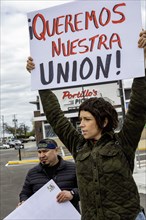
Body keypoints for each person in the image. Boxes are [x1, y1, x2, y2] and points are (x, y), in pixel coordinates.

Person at [26, 30, 146, 220]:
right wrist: (40, 80)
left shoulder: (122, 143)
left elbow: (138, 108)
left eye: (87, 119)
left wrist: (143, 63)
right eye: (80, 119)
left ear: (104, 121)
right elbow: (56, 117)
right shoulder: (78, 145)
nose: (81, 125)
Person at [18, 138, 80, 212]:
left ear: (56, 150)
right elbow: (24, 193)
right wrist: (24, 202)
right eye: (39, 152)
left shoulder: (73, 168)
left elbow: (87, 190)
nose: (41, 155)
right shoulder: (32, 173)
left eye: (45, 151)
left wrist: (72, 194)